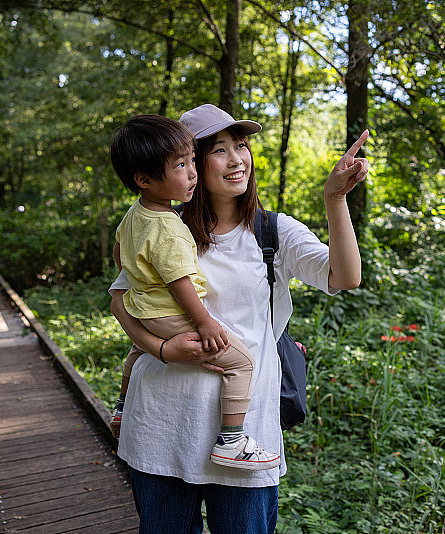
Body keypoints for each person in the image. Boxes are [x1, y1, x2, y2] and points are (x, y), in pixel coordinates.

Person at [109, 103, 368, 534]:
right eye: (219, 150)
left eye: (241, 146)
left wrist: (335, 198)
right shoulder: (161, 225)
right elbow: (121, 299)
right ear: (189, 161)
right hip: (160, 427)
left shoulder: (273, 232)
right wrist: (162, 349)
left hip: (245, 439)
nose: (236, 160)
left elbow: (345, 277)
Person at [108, 113, 280, 471]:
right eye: (181, 165)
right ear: (144, 179)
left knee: (137, 351)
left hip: (144, 310)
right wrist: (205, 322)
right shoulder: (170, 228)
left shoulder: (135, 215)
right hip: (172, 315)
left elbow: (119, 254)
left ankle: (122, 407)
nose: (192, 173)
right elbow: (180, 283)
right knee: (242, 362)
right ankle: (231, 440)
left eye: (191, 161)